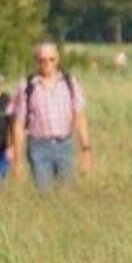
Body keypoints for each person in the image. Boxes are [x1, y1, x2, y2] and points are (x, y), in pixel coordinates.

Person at [10, 42, 92, 191]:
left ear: (58, 59)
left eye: (51, 59)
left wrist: (85, 150)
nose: (47, 63)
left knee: (67, 193)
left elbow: (80, 117)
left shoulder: (70, 83)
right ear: (36, 61)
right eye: (42, 60)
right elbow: (19, 125)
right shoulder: (27, 86)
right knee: (43, 193)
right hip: (39, 146)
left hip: (65, 144)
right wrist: (17, 160)